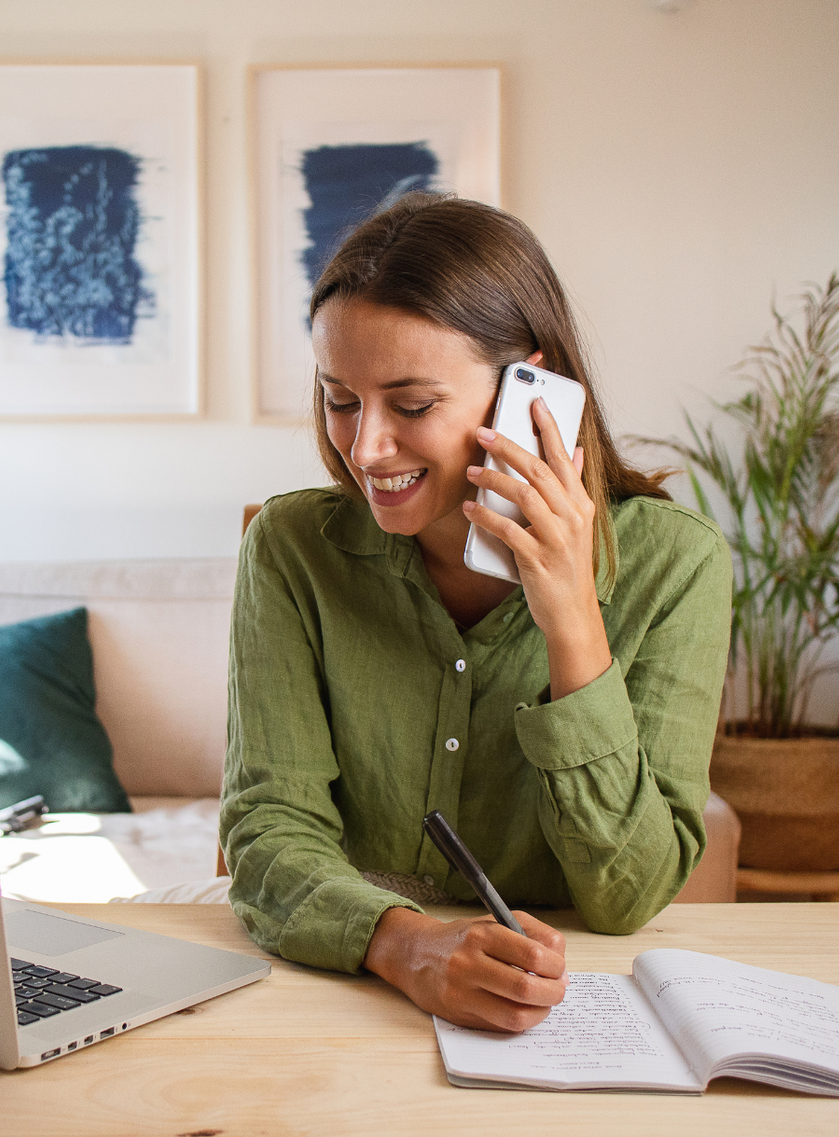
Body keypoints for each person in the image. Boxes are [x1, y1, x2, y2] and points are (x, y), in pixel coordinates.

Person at [220, 193, 732, 1033]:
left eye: (412, 404)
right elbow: (269, 832)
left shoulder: (676, 566)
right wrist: (409, 947)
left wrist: (570, 618)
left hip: (564, 1012)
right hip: (342, 993)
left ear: (526, 392)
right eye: (339, 397)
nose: (365, 446)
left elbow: (628, 896)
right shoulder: (292, 549)